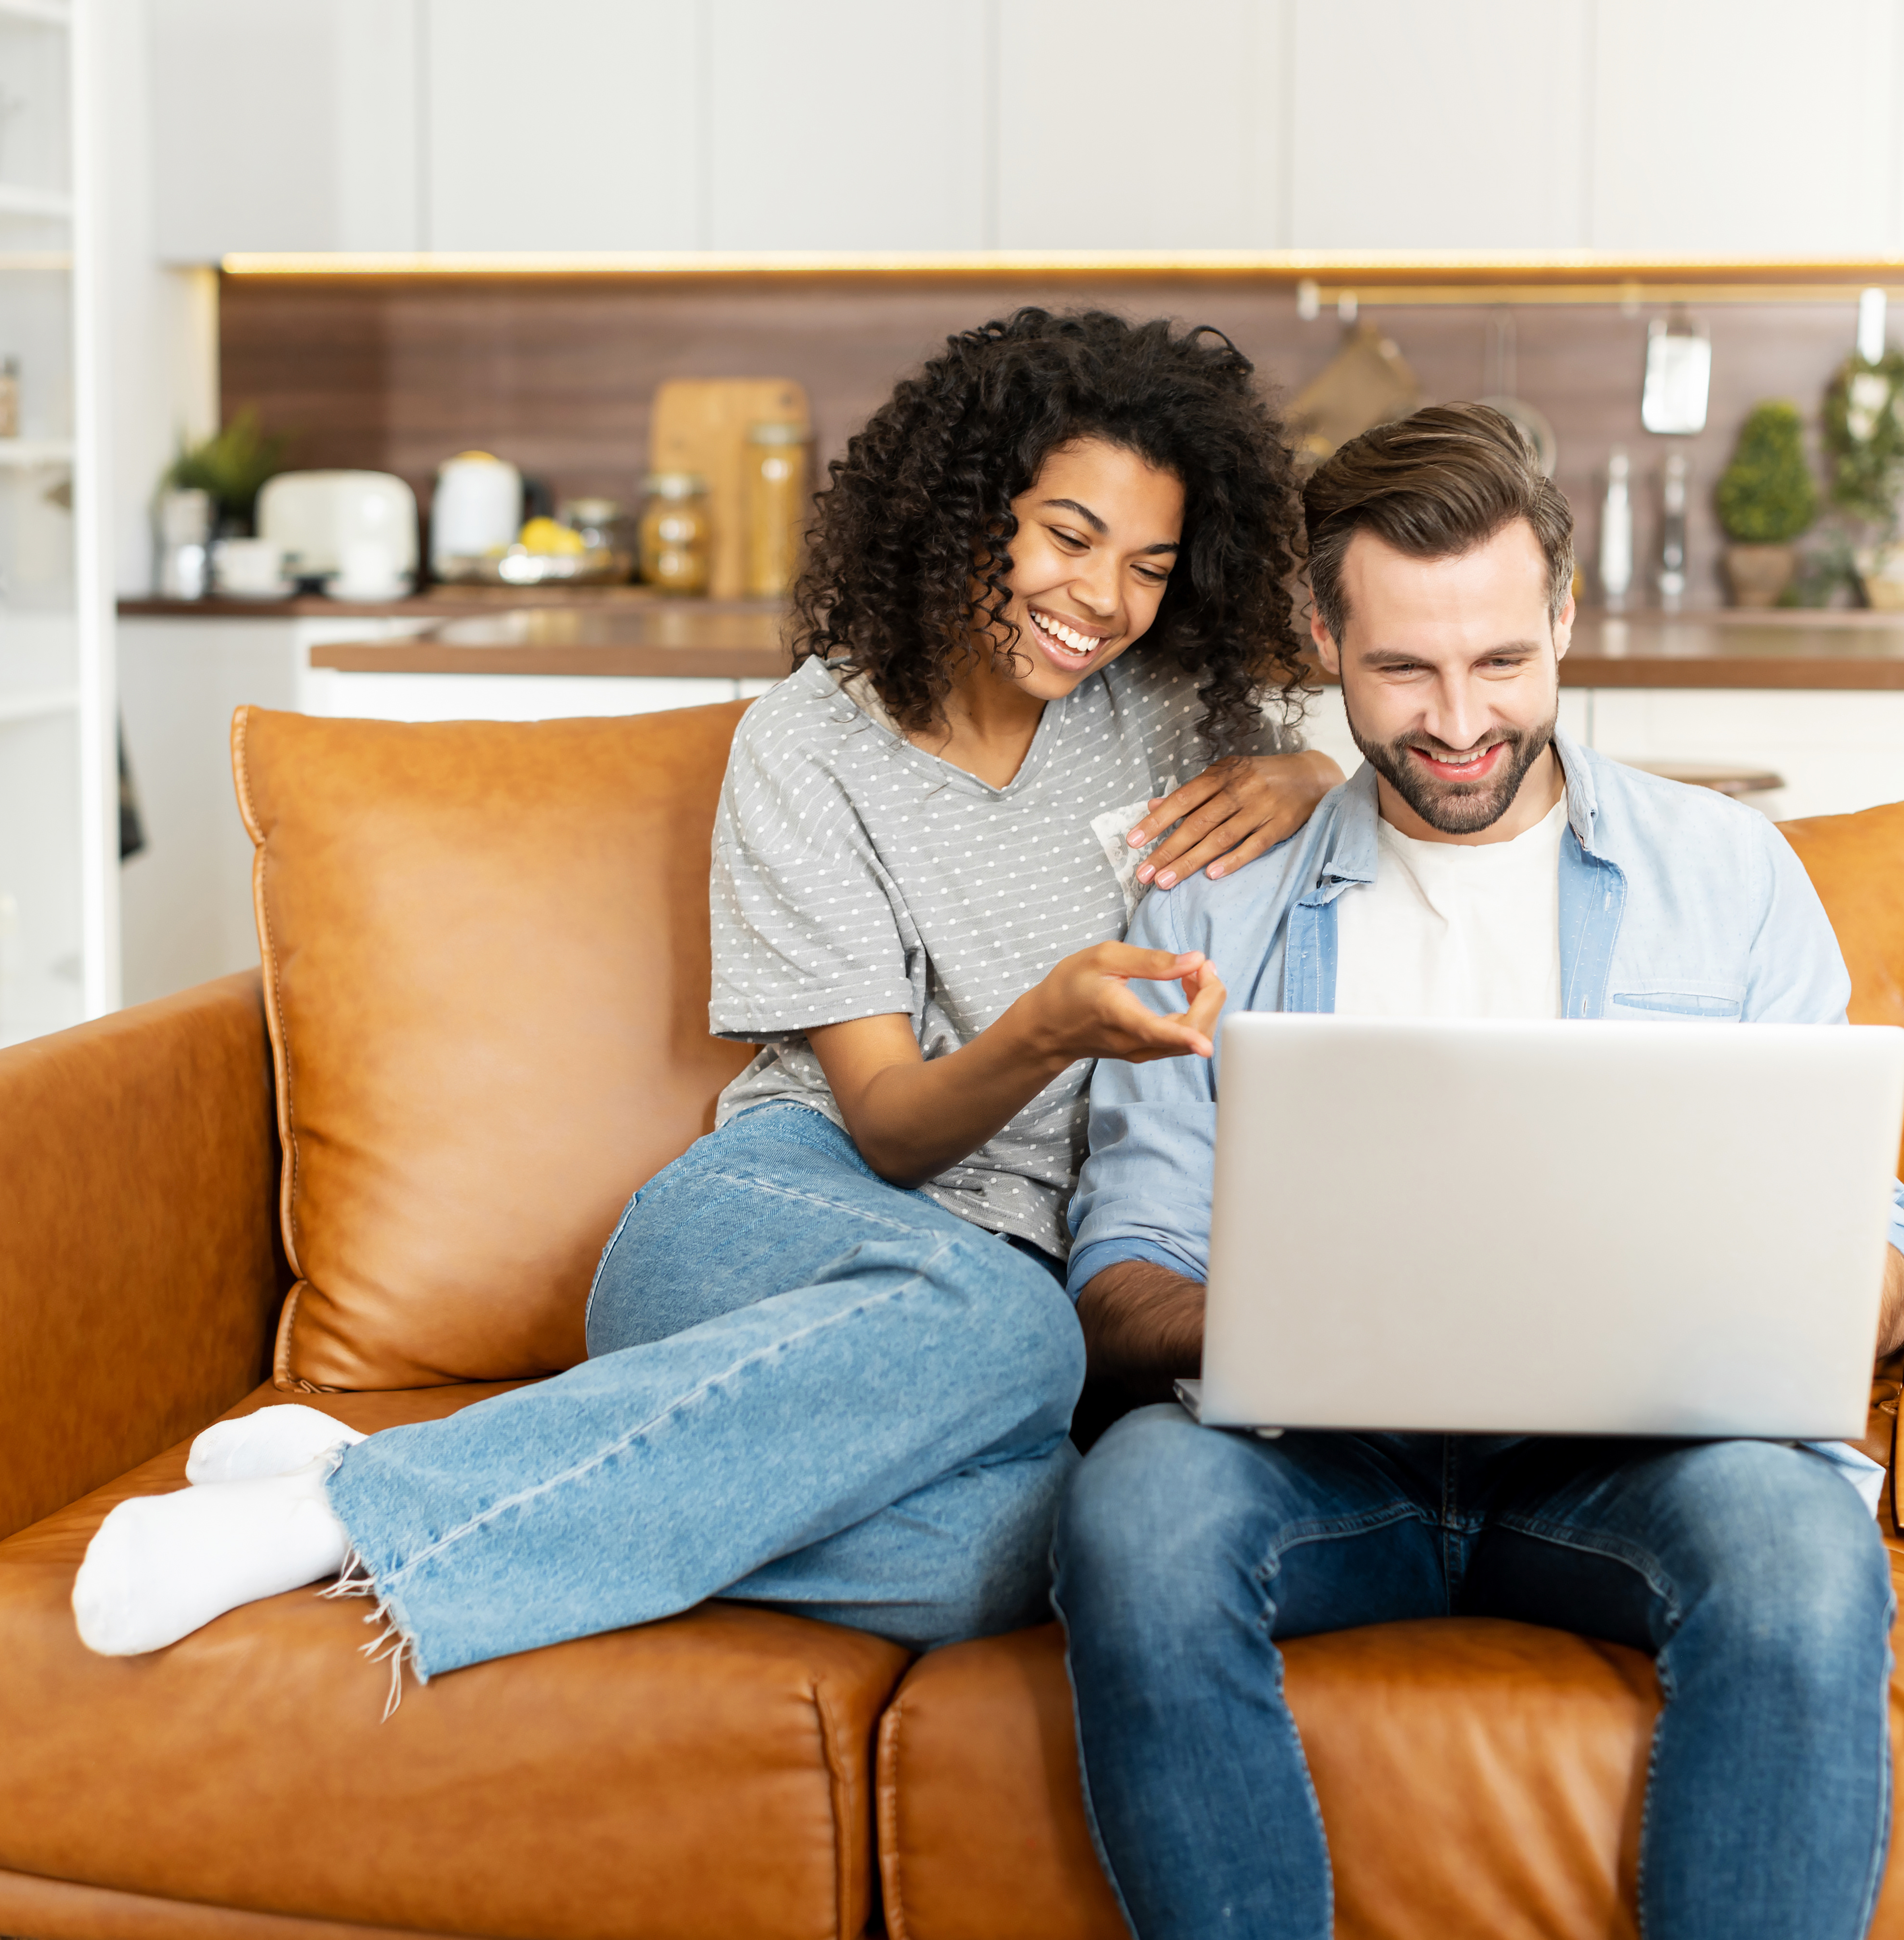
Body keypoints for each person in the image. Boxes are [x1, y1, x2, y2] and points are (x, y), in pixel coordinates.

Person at [70, 309, 1343, 1687]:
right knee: (1015, 1330)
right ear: (970, 508)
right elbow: (893, 1133)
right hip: (778, 1224)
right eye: (1068, 534)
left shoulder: (1161, 716)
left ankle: (409, 1467)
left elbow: (1338, 848)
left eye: (1150, 567)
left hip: (971, 1333)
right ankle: (340, 1520)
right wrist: (1051, 1021)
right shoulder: (807, 745)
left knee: (1022, 1541)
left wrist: (1313, 785)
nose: (1103, 599)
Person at [1053, 402, 1904, 1940]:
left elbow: (1880, 1248)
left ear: (1565, 620)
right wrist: (1294, 1321)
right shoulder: (1217, 902)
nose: (1458, 719)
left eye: (1502, 663)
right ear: (1325, 641)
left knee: (1799, 1550)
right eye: (1401, 669)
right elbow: (1118, 1271)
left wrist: (1796, 1309)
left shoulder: (1725, 876)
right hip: (1323, 1469)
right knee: (1134, 1512)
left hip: (1625, 1472)